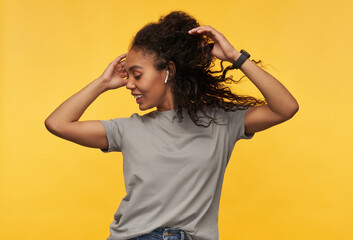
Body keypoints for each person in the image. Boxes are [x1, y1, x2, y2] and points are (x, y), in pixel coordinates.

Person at [44, 11, 298, 240]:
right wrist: (101, 83)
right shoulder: (126, 130)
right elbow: (57, 123)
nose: (128, 84)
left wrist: (236, 57)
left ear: (169, 71)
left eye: (137, 74)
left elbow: (285, 107)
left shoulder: (221, 122)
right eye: (128, 76)